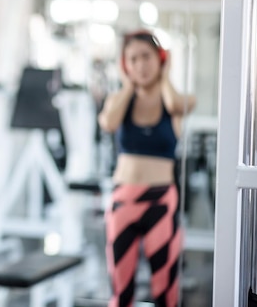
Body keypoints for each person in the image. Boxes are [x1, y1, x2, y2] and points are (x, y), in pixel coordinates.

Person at [97, 29, 195, 307]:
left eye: (146, 57)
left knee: (165, 291)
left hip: (161, 202)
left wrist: (165, 76)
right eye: (133, 59)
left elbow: (177, 104)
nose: (140, 65)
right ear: (125, 65)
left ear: (160, 59)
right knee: (121, 290)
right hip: (123, 201)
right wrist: (129, 84)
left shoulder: (175, 101)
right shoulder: (119, 101)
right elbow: (108, 123)